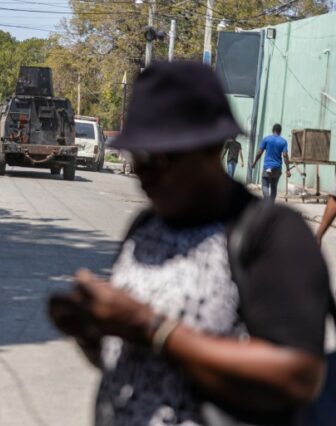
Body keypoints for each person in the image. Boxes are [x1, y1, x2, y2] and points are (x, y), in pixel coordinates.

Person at [48, 62, 332, 426]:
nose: (142, 173)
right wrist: (92, 331)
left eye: (157, 158)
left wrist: (151, 327)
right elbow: (132, 363)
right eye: (137, 157)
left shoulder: (271, 233)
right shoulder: (146, 225)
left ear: (210, 148)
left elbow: (298, 377)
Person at [251, 124, 291, 202]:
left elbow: (259, 153)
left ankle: (266, 201)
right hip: (277, 168)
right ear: (280, 131)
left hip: (268, 167)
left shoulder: (266, 139)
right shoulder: (283, 141)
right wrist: (288, 169)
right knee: (274, 186)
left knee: (265, 184)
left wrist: (255, 162)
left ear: (273, 130)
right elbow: (285, 155)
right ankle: (271, 203)